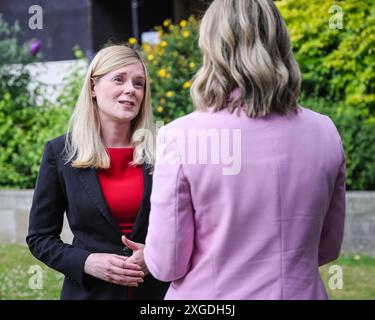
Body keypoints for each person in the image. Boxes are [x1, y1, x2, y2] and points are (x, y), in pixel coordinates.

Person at [124, 0, 346, 299]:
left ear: (212, 49)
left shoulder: (181, 136)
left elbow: (167, 265)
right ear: (280, 42)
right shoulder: (325, 132)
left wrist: (150, 255)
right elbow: (327, 248)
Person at [27, 45, 169, 300]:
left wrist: (156, 255)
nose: (131, 89)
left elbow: (192, 224)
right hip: (89, 294)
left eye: (139, 83)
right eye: (119, 79)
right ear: (93, 87)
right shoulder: (60, 152)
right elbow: (40, 237)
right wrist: (87, 261)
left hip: (156, 295)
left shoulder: (166, 150)